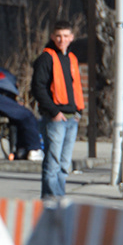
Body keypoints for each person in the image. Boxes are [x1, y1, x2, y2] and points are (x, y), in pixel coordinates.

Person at [31, 20, 83, 197]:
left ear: (72, 37)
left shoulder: (71, 59)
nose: (62, 39)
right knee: (52, 164)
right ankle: (52, 201)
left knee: (63, 164)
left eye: (66, 36)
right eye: (58, 36)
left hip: (71, 118)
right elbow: (38, 88)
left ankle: (58, 200)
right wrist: (54, 112)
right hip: (56, 119)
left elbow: (75, 88)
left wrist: (78, 113)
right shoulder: (46, 58)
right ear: (53, 37)